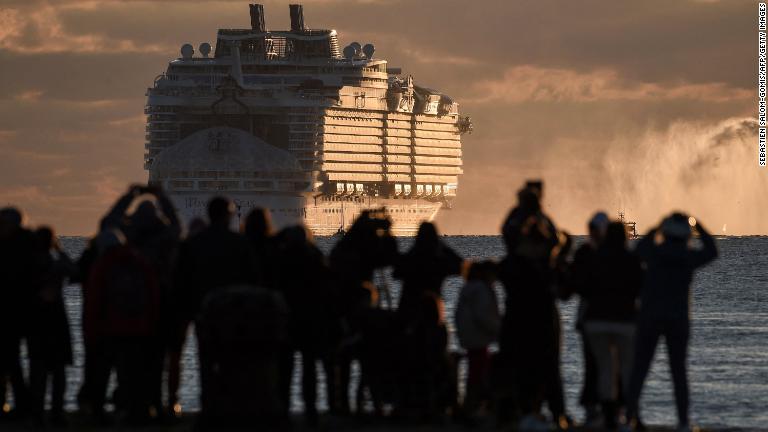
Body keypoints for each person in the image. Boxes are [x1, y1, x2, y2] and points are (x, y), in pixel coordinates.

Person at [626, 213, 718, 432]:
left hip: (649, 318)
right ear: (686, 236)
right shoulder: (687, 257)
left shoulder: (654, 254)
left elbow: (639, 249)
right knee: (679, 373)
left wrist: (657, 226)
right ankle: (683, 422)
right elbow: (712, 251)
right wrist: (698, 224)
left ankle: (628, 418)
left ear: (665, 233)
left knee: (639, 369)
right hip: (677, 321)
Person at [497, 184, 571, 431]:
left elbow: (507, 231)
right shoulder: (548, 265)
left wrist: (521, 210)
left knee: (521, 367)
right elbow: (557, 241)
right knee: (550, 369)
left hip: (517, 320)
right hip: (544, 321)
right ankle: (558, 413)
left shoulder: (511, 264)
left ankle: (525, 411)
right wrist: (538, 211)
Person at [327, 209, 398, 415]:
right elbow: (391, 259)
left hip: (341, 311)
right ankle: (372, 405)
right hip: (362, 312)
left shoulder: (341, 249)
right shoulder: (366, 251)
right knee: (370, 362)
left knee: (342, 363)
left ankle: (340, 406)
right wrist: (388, 233)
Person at [578, 222, 643, 429]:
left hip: (596, 322)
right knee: (627, 369)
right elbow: (642, 288)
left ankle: (608, 417)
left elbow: (583, 287)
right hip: (624, 322)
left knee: (605, 369)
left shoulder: (594, 258)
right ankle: (631, 415)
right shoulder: (632, 259)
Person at [270, 225, 333, 425]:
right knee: (310, 368)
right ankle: (312, 410)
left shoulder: (279, 259)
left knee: (284, 369)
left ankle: (282, 410)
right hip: (310, 320)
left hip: (286, 320)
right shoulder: (315, 257)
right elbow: (326, 286)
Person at [562, 212, 609, 425]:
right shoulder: (618, 254)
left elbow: (569, 287)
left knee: (593, 367)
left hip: (590, 319)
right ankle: (609, 412)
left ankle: (595, 410)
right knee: (606, 367)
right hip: (611, 320)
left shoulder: (583, 253)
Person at [27, 227, 77, 427]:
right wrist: (61, 250)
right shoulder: (58, 264)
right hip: (56, 322)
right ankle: (57, 412)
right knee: (58, 372)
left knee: (38, 372)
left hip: (36, 322)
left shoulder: (28, 264)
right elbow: (75, 272)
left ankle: (37, 413)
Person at [0, 207, 35, 419]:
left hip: (11, 315)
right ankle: (23, 405)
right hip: (21, 315)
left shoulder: (12, 248)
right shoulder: (29, 245)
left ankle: (20, 405)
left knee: (10, 363)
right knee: (14, 364)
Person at [454, 260, 500, 422]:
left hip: (468, 336)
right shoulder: (481, 289)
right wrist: (498, 329)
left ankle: (471, 406)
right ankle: (472, 407)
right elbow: (483, 315)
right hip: (479, 337)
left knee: (475, 371)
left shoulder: (467, 288)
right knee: (478, 373)